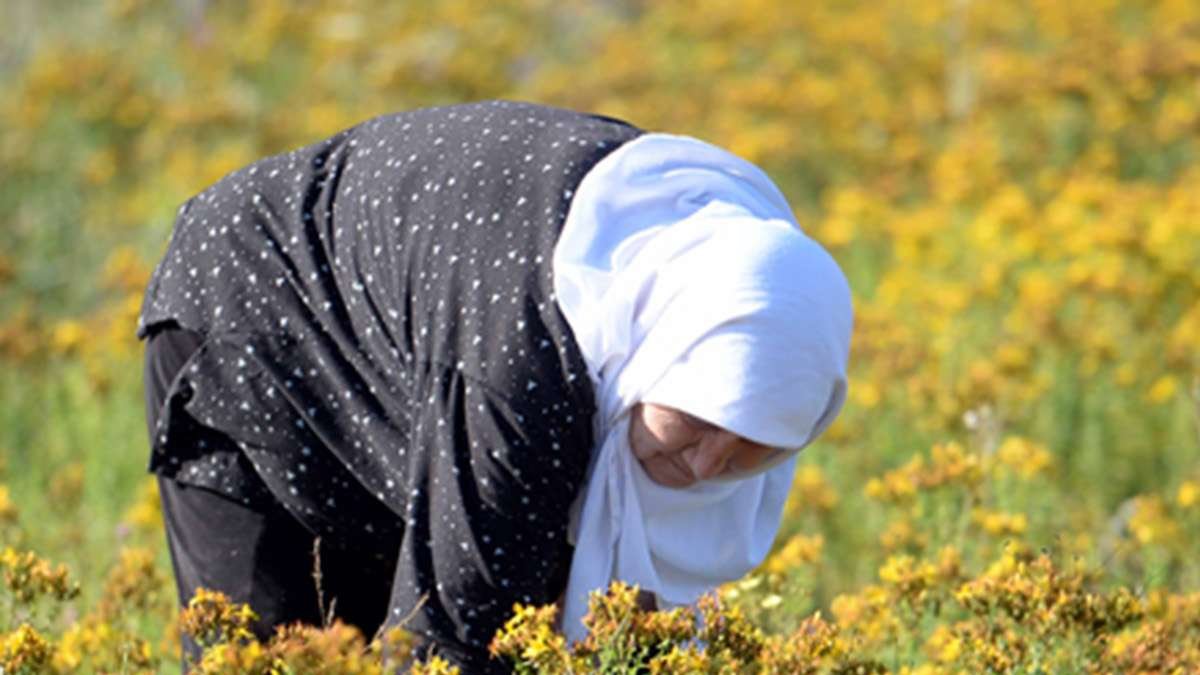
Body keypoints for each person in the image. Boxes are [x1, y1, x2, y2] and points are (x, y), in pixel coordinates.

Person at [140, 100, 852, 673]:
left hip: (418, 362)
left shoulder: (724, 281)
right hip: (255, 312)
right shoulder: (526, 383)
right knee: (267, 654)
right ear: (660, 355)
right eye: (695, 420)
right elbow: (447, 640)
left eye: (750, 450)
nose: (704, 464)